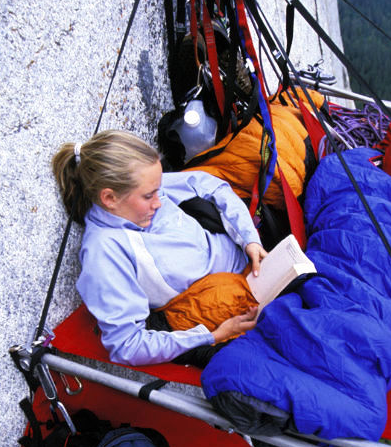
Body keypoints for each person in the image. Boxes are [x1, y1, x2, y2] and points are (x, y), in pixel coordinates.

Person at [52, 130, 267, 366]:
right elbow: (128, 345)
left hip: (254, 266)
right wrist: (211, 336)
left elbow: (211, 186)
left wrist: (250, 239)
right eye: (148, 195)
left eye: (158, 189)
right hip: (221, 310)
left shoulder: (145, 191)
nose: (159, 200)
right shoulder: (104, 253)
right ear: (110, 199)